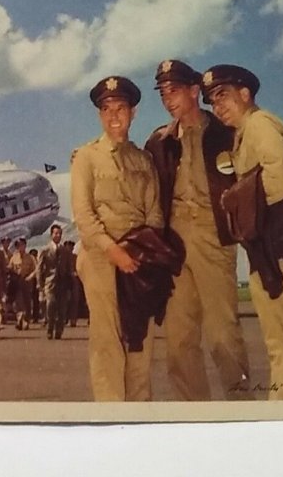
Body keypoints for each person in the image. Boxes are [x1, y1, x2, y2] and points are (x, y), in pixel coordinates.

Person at [201, 64, 283, 400]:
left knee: (281, 349)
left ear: (246, 94)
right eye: (213, 101)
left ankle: (281, 430)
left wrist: (243, 208)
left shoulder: (258, 125)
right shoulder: (248, 130)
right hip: (277, 244)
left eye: (223, 96)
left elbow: (279, 174)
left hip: (275, 245)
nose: (218, 106)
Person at [144, 59, 252, 401]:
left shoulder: (225, 133)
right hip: (174, 244)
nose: (167, 98)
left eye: (174, 90)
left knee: (222, 335)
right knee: (178, 342)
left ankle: (241, 411)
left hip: (213, 238)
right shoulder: (158, 142)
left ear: (194, 91)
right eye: (162, 92)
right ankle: (192, 415)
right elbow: (138, 177)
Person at [70, 75, 164, 401]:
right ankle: (111, 416)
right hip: (100, 257)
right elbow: (84, 215)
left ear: (133, 112)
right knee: (107, 340)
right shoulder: (86, 157)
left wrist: (144, 253)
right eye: (106, 109)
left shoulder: (144, 161)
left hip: (138, 258)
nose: (113, 116)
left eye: (120, 108)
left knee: (141, 341)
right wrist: (114, 252)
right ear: (99, 115)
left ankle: (138, 416)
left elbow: (154, 214)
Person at [35, 225, 75, 340]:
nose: (57, 235)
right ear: (51, 234)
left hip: (63, 283)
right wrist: (39, 283)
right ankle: (50, 327)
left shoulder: (65, 251)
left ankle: (59, 330)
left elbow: (69, 268)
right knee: (50, 305)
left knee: (62, 309)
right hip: (50, 282)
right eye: (55, 233)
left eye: (59, 233)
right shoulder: (45, 250)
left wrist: (70, 282)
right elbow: (39, 268)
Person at [8, 237, 37, 330]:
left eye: (21, 245)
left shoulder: (30, 258)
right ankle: (20, 320)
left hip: (27, 282)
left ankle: (26, 320)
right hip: (17, 282)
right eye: (18, 245)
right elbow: (10, 268)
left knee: (27, 303)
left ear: (25, 246)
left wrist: (31, 277)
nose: (20, 247)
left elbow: (36, 269)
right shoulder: (14, 257)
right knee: (18, 302)